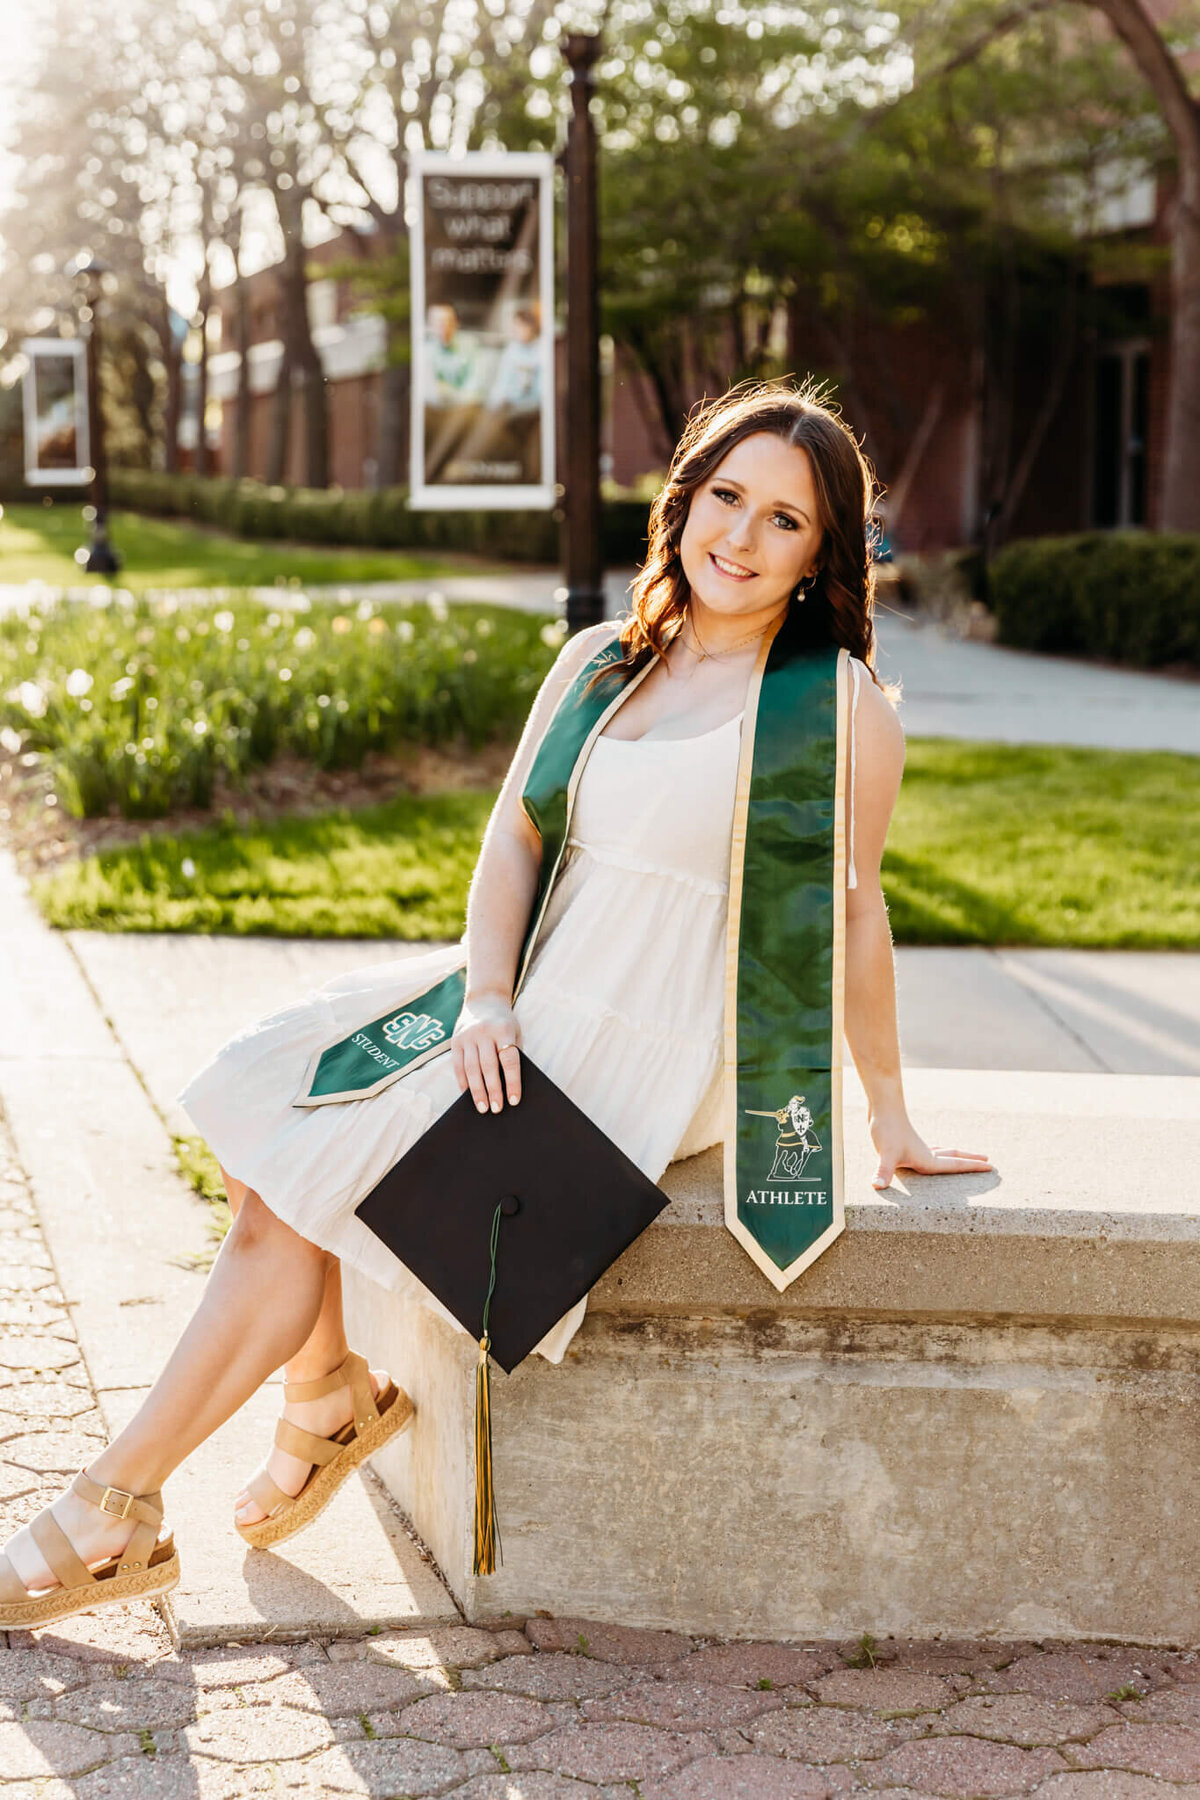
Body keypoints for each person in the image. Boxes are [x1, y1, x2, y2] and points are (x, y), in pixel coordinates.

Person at [0, 377, 991, 1627]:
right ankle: (324, 1401)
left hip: (651, 1048)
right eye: (725, 497)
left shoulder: (833, 711)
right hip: (524, 1002)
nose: (739, 538)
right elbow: (515, 842)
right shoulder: (600, 661)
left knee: (297, 1184)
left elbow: (854, 912)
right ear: (683, 503)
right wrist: (480, 995)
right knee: (271, 1092)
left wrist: (888, 1115)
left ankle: (115, 1508)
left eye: (783, 520)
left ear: (823, 552)